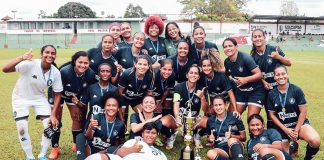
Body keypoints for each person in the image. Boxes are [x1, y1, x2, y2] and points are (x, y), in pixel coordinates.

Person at [2, 45, 63, 160]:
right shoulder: (30, 64)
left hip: (39, 98)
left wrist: (53, 114)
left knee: (50, 125)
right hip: (20, 97)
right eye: (47, 52)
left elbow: (57, 94)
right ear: (42, 54)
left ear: (55, 55)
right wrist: (22, 57)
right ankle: (29, 156)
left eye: (53, 53)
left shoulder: (55, 72)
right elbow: (5, 69)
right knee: (22, 127)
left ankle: (42, 154)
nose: (50, 55)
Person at [268, 65, 321, 159]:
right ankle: (293, 146)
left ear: (287, 75)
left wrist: (296, 131)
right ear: (274, 77)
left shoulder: (296, 90)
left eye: (283, 74)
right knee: (285, 156)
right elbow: (272, 115)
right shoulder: (272, 94)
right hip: (283, 128)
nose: (281, 76)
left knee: (315, 141)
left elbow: (303, 112)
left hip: (299, 125)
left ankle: (307, 158)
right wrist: (285, 129)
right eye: (278, 75)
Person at [250, 29, 292, 129]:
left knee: (286, 112)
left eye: (259, 36)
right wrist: (263, 81)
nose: (257, 38)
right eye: (255, 37)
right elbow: (256, 74)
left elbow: (289, 63)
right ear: (252, 39)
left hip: (281, 88)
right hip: (267, 90)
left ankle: (291, 137)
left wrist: (278, 57)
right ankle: (272, 136)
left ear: (264, 38)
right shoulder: (252, 56)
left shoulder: (274, 49)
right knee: (270, 115)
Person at [76, 63, 118, 159]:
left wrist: (121, 121)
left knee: (105, 143)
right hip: (92, 122)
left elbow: (117, 108)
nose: (105, 73)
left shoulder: (114, 89)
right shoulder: (91, 87)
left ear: (111, 73)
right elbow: (83, 105)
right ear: (98, 73)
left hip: (107, 123)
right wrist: (77, 103)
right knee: (83, 138)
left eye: (108, 71)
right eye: (102, 71)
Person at [59, 51, 97, 153]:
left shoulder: (90, 74)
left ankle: (75, 143)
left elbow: (89, 90)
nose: (83, 65)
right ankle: (55, 147)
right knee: (56, 120)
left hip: (74, 97)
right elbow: (55, 90)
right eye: (80, 62)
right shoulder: (64, 72)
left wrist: (79, 103)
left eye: (86, 63)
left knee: (77, 117)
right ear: (74, 61)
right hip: (59, 95)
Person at [223, 37, 265, 118]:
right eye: (225, 47)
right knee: (230, 118)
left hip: (255, 92)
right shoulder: (227, 62)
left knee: (251, 119)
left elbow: (259, 75)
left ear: (236, 47)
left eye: (230, 46)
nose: (228, 48)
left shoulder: (245, 58)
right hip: (241, 93)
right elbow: (229, 76)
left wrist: (245, 79)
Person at [85, 122, 167, 160]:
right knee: (97, 157)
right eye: (147, 132)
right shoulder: (134, 142)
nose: (150, 135)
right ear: (142, 134)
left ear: (157, 135)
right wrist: (132, 149)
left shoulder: (160, 153)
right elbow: (119, 153)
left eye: (153, 133)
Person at [173, 64, 208, 148]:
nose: (193, 75)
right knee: (171, 121)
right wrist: (177, 117)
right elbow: (176, 104)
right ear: (187, 75)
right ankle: (171, 134)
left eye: (196, 73)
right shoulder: (178, 87)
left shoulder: (201, 89)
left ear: (199, 77)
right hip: (182, 117)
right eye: (191, 73)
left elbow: (205, 110)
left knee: (209, 121)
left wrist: (202, 97)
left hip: (194, 119)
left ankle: (197, 135)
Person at [84, 92, 125, 157]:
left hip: (107, 152)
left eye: (114, 105)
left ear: (118, 109)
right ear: (104, 107)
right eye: (108, 105)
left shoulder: (120, 124)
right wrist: (90, 127)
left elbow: (119, 141)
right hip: (92, 149)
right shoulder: (97, 117)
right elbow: (88, 137)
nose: (111, 108)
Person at [118, 55, 155, 125]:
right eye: (140, 64)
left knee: (145, 112)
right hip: (124, 98)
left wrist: (146, 104)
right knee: (122, 114)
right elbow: (119, 91)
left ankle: (142, 130)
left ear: (148, 66)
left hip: (137, 99)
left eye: (145, 65)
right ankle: (123, 130)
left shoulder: (150, 75)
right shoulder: (127, 73)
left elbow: (149, 93)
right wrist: (121, 105)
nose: (142, 67)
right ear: (135, 65)